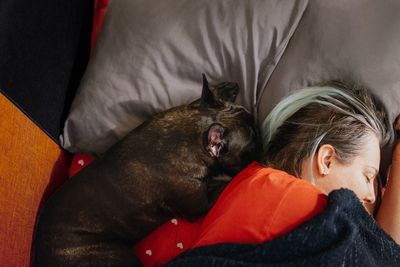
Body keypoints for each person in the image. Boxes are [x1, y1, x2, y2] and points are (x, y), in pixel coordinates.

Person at [133, 81, 400, 266]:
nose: (371, 195)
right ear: (326, 159)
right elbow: (384, 256)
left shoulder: (253, 184)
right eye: (367, 176)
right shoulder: (285, 193)